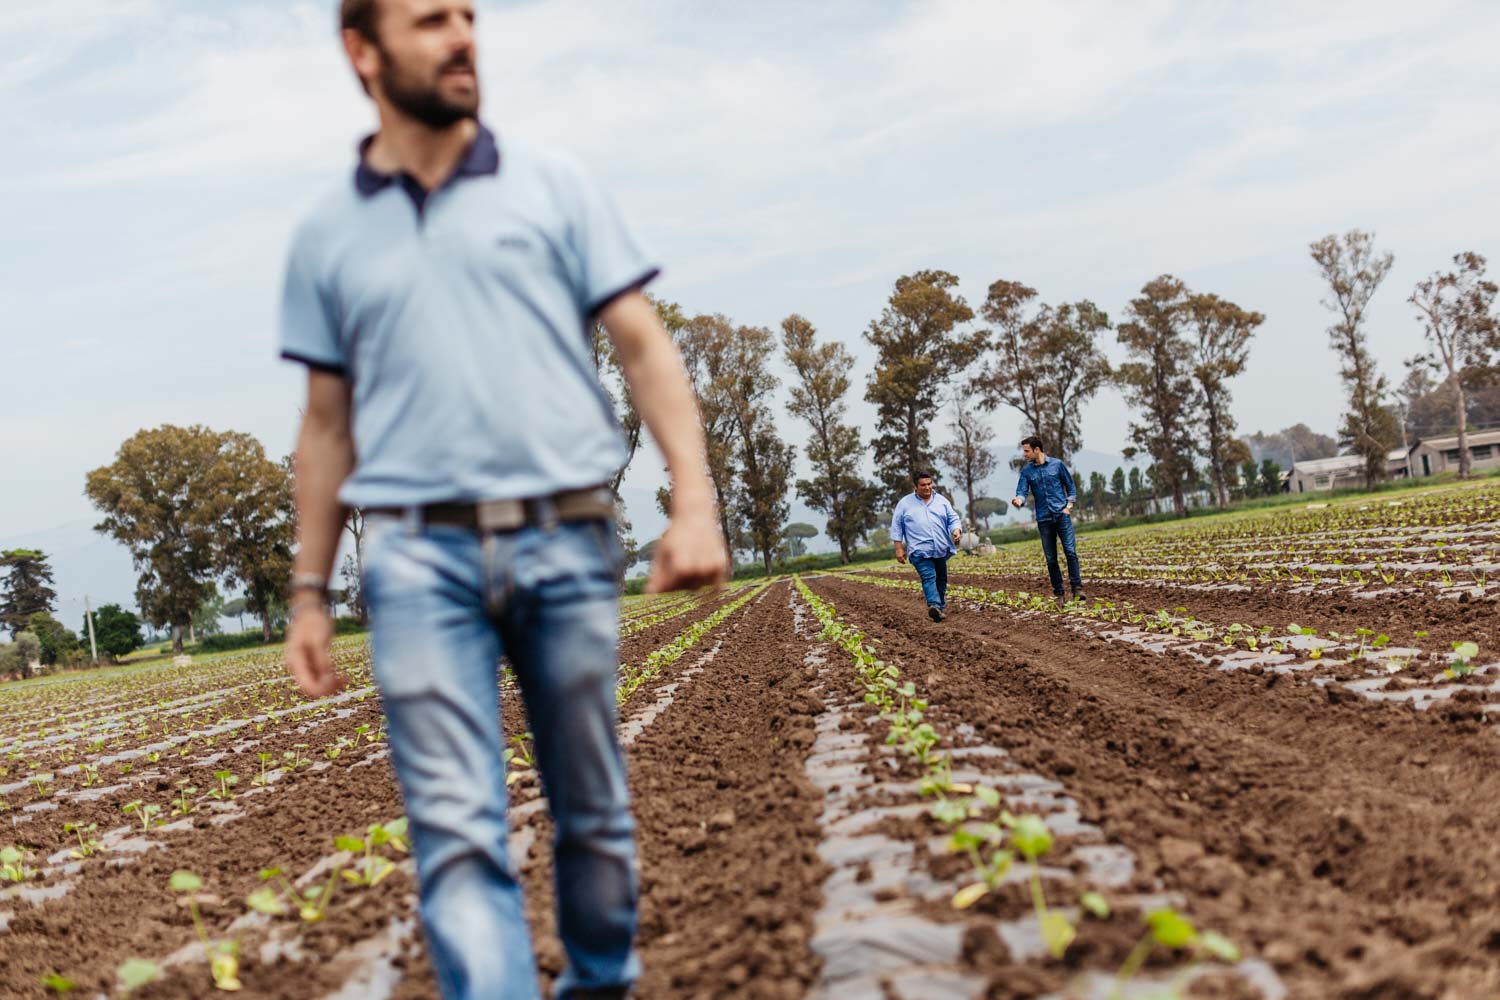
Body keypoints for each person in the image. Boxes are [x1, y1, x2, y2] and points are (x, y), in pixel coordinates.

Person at [279, 3, 728, 998]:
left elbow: (644, 344)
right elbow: (324, 425)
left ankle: (601, 975)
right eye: (431, 18)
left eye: (469, 16)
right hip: (412, 557)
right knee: (453, 830)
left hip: (564, 536)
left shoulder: (553, 185)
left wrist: (693, 503)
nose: (462, 36)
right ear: (364, 50)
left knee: (593, 806)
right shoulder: (324, 235)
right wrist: (309, 591)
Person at [1011, 435, 1084, 603]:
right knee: (1051, 559)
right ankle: (1059, 593)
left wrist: (1069, 506)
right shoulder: (1027, 472)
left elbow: (1071, 486)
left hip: (1061, 516)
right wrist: (1019, 500)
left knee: (1071, 552)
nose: (1024, 454)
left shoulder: (1057, 465)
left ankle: (1077, 588)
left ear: (1037, 450)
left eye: (1027, 451)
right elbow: (1022, 491)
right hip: (1044, 519)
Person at [891, 470, 963, 621]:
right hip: (919, 551)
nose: (927, 487)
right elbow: (897, 527)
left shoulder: (942, 500)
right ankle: (934, 604)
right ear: (915, 486)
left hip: (940, 549)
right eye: (923, 485)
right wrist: (899, 549)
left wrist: (956, 530)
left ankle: (939, 608)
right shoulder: (904, 504)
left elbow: (952, 518)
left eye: (929, 484)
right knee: (929, 576)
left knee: (941, 579)